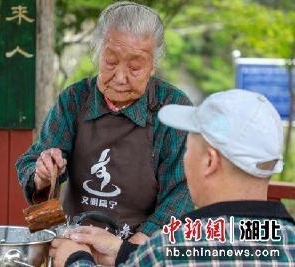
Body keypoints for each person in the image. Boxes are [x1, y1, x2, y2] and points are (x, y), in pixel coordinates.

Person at [49, 89, 295, 266]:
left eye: (188, 150)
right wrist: (124, 252)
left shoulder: (168, 250)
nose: (184, 159)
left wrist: (76, 260)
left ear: (210, 161)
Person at [16, 1, 193, 243]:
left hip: (140, 250)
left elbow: (182, 193)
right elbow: (31, 161)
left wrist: (129, 252)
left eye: (135, 67)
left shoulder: (173, 108)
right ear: (97, 54)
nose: (120, 78)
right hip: (72, 244)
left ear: (153, 66)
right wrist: (43, 173)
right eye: (110, 62)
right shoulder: (75, 100)